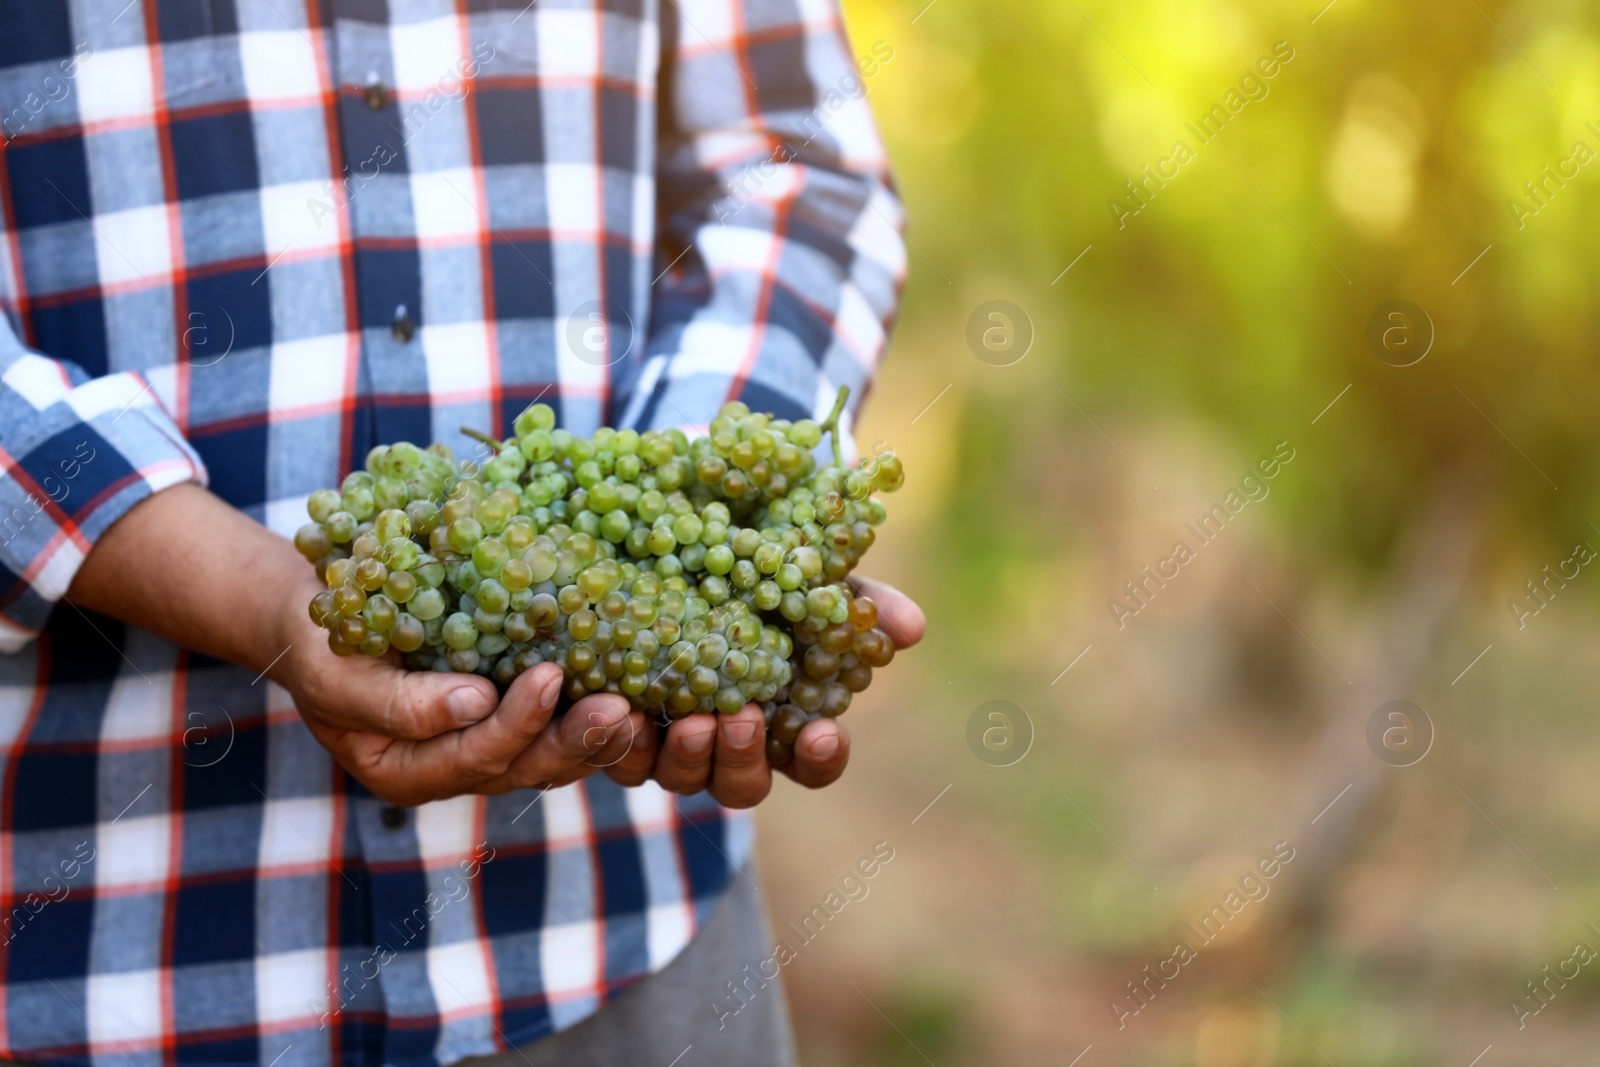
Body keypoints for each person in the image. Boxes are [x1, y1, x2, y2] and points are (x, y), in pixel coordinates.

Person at [0, 3, 919, 1066]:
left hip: (621, 929)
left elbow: (795, 171)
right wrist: (244, 587)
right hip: (118, 966)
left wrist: (703, 492)